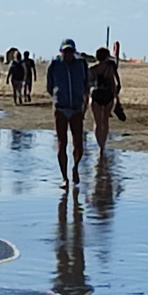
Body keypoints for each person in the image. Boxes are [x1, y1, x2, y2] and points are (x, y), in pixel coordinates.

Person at [46, 39, 89, 187]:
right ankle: (64, 177)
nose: (68, 54)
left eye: (70, 51)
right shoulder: (55, 65)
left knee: (79, 143)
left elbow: (86, 83)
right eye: (65, 51)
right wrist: (57, 97)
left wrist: (83, 100)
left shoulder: (81, 64)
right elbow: (49, 85)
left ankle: (75, 167)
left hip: (77, 107)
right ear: (61, 51)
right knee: (61, 142)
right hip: (61, 108)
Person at [89, 47, 121, 154]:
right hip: (108, 94)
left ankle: (100, 144)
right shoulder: (111, 67)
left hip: (97, 93)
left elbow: (90, 83)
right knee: (105, 120)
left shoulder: (92, 68)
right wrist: (117, 98)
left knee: (97, 122)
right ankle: (103, 143)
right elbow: (115, 83)